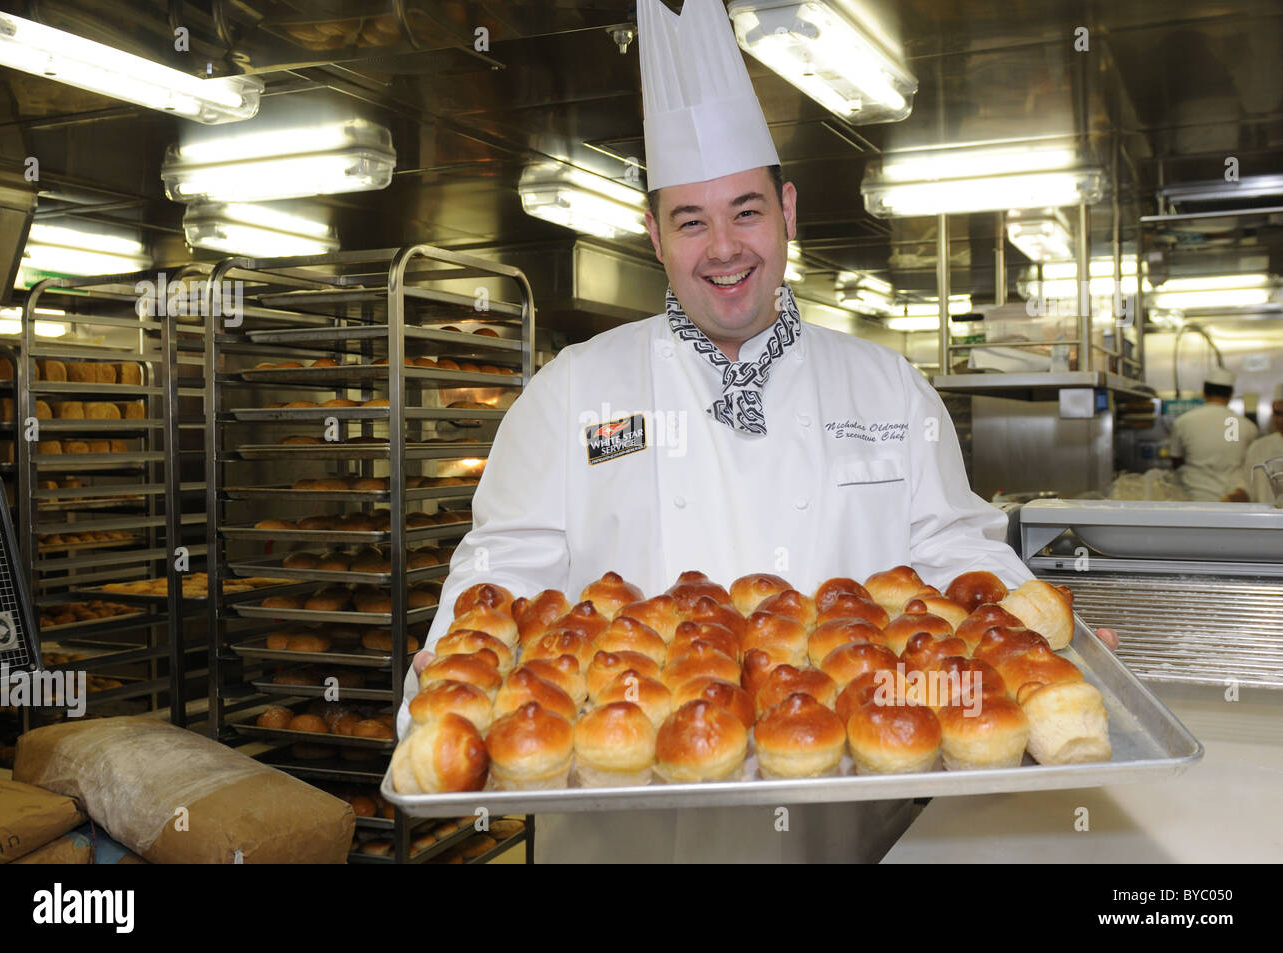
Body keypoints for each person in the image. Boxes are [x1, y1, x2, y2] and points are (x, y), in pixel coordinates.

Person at [399, 0, 1117, 862]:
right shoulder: (570, 395)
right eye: (690, 220)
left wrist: (1034, 652)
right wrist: (435, 719)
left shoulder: (887, 386)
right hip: (623, 830)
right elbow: (494, 587)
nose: (722, 248)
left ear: (787, 210)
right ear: (654, 236)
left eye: (744, 211)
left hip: (852, 814)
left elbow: (960, 559)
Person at [1168, 367, 1259, 501]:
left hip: (1195, 497)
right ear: (1231, 394)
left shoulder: (1182, 422)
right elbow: (1252, 465)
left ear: (1204, 391)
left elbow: (1176, 461)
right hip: (1234, 499)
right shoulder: (1249, 427)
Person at [1234, 382, 1283, 504]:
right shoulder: (1259, 447)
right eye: (1278, 413)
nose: (1281, 420)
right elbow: (1247, 488)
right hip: (1265, 520)